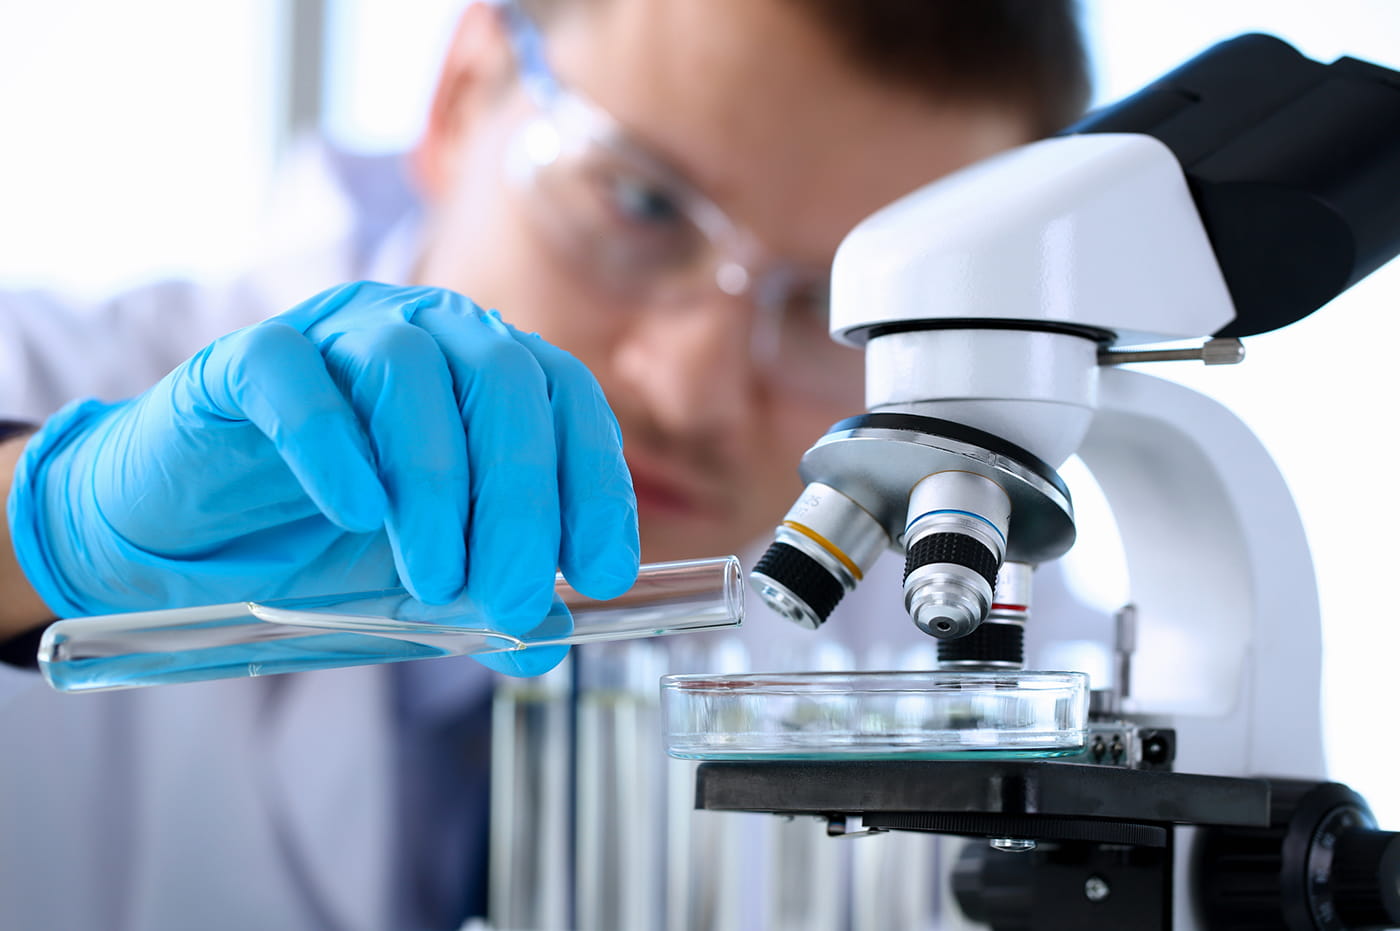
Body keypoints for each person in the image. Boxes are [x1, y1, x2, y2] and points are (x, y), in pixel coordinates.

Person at [0, 0, 1091, 928]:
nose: (686, 388)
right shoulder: (43, 373)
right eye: (643, 204)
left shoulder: (974, 644)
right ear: (462, 93)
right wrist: (33, 529)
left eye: (828, 308)